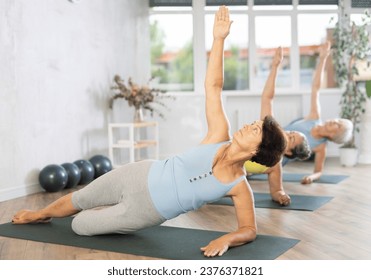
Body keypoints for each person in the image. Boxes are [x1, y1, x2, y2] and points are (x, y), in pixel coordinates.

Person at [12, 6, 287, 258]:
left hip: (146, 211)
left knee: (80, 226)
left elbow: (249, 229)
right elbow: (213, 86)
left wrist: (227, 239)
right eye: (252, 123)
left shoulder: (239, 187)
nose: (247, 125)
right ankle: (40, 214)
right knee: (80, 198)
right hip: (140, 173)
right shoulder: (219, 135)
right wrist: (218, 40)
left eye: (254, 129)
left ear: (257, 150)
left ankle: (104, 213)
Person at [244, 46, 311, 206]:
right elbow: (267, 98)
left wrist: (281, 195)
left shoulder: (275, 166)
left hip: (230, 173)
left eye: (291, 137)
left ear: (288, 151)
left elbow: (276, 190)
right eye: (291, 132)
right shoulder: (271, 132)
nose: (287, 132)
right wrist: (275, 67)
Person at [283, 41, 353, 184]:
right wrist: (322, 59)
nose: (335, 121)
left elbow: (318, 171)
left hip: (277, 159)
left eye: (338, 125)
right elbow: (315, 88)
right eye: (338, 120)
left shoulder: (320, 147)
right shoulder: (314, 117)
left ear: (335, 135)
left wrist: (311, 177)